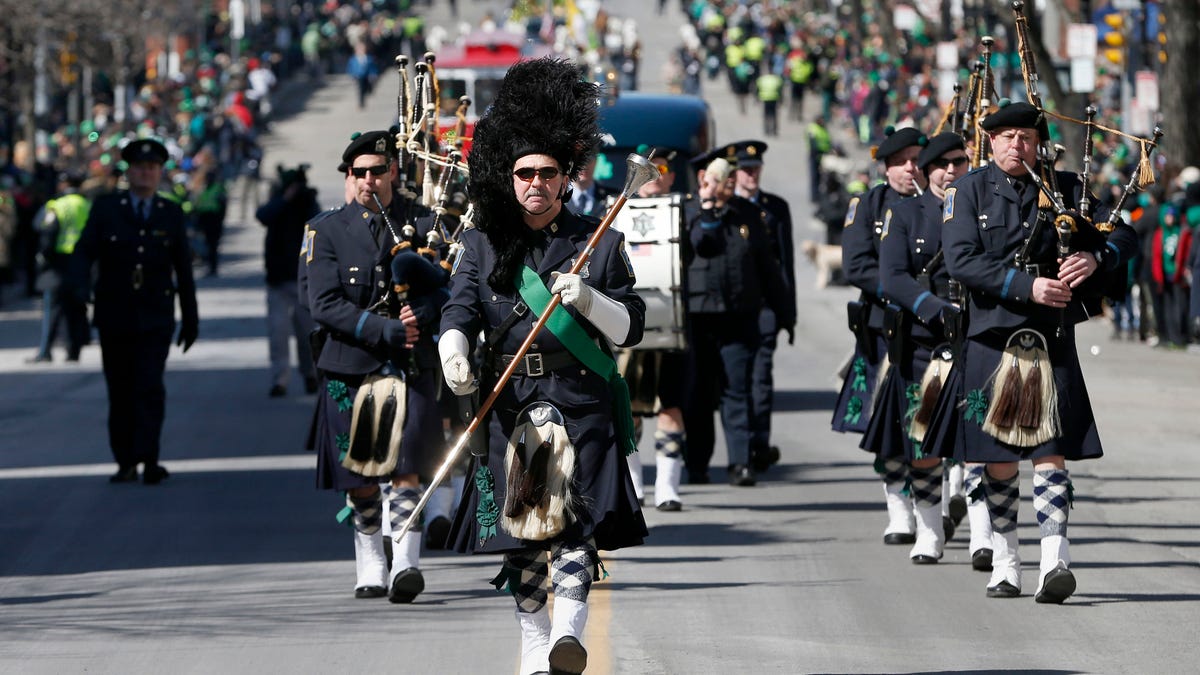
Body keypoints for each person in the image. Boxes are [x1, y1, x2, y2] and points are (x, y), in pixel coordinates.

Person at [440, 58, 647, 675]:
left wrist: (590, 299)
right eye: (524, 173)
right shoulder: (480, 241)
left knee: (574, 525)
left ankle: (567, 633)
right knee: (524, 533)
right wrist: (452, 348)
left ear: (565, 179)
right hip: (509, 398)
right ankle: (534, 644)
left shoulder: (600, 241)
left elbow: (633, 324)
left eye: (546, 173)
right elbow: (458, 308)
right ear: (508, 178)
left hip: (579, 395)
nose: (534, 183)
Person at [943, 101, 1138, 602]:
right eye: (1005, 136)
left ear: (1038, 142)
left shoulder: (1067, 190)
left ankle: (1055, 558)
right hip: (991, 336)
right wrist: (1023, 287)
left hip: (1050, 338)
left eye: (1025, 137)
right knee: (999, 458)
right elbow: (960, 260)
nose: (1016, 145)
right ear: (990, 142)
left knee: (1049, 451)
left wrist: (1097, 257)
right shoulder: (966, 192)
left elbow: (1126, 234)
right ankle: (1006, 559)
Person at [305, 130, 446, 603]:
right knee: (362, 477)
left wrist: (422, 316)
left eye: (378, 171)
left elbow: (448, 288)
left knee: (408, 465)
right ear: (350, 176)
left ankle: (406, 560)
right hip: (351, 363)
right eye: (359, 172)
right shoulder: (325, 230)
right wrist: (381, 328)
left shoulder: (426, 222)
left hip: (411, 361)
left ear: (393, 173)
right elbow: (322, 303)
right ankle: (370, 558)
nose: (369, 180)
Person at [69, 138, 199, 485]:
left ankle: (150, 458)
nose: (146, 174)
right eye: (140, 168)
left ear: (160, 173)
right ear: (129, 173)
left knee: (150, 387)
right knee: (121, 389)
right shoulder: (108, 208)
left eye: (153, 168)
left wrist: (190, 318)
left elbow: (182, 269)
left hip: (155, 315)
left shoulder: (169, 212)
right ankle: (125, 460)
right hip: (115, 313)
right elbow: (84, 252)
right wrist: (79, 291)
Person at [872, 132, 971, 563]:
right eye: (942, 164)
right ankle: (929, 531)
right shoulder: (905, 213)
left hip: (977, 337)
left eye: (960, 162)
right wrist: (934, 309)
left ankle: (985, 537)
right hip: (923, 343)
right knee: (924, 442)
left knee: (981, 443)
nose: (952, 171)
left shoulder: (980, 208)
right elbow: (891, 277)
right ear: (928, 170)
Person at [832, 125, 926, 544]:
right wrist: (907, 290)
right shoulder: (867, 205)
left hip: (937, 329)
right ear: (886, 166)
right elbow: (856, 266)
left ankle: (942, 503)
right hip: (885, 327)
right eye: (902, 161)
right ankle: (899, 510)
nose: (912, 168)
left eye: (917, 159)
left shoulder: (942, 204)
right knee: (890, 428)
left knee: (933, 420)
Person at [683, 144, 795, 487]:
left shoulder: (748, 213)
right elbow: (700, 245)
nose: (730, 181)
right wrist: (707, 207)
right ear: (704, 178)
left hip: (738, 317)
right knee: (699, 395)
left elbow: (769, 268)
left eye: (733, 175)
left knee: (738, 390)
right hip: (698, 320)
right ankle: (697, 464)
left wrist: (785, 314)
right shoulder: (688, 212)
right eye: (723, 175)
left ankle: (741, 463)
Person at [621, 145, 690, 511]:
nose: (653, 177)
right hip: (628, 326)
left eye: (660, 170)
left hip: (670, 325)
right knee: (628, 409)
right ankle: (635, 482)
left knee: (670, 407)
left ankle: (668, 486)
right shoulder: (616, 211)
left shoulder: (684, 211)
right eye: (647, 170)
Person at [729, 140, 795, 473]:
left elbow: (786, 264)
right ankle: (741, 447)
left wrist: (789, 313)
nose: (751, 175)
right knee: (736, 382)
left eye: (755, 169)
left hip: (766, 306)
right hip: (734, 308)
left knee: (762, 379)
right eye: (745, 170)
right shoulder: (726, 206)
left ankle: (759, 443)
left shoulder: (776, 208)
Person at [257, 164, 321, 397]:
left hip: (303, 279)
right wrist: (285, 198)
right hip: (278, 280)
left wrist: (302, 197)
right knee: (278, 334)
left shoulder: (307, 201)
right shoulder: (278, 202)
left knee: (307, 334)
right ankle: (279, 380)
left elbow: (317, 223)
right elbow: (263, 216)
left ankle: (311, 375)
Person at [29, 171, 91, 364]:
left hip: (58, 264)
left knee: (53, 309)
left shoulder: (56, 205)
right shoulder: (87, 205)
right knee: (77, 308)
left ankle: (45, 351)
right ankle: (74, 350)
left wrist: (42, 258)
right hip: (82, 263)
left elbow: (45, 230)